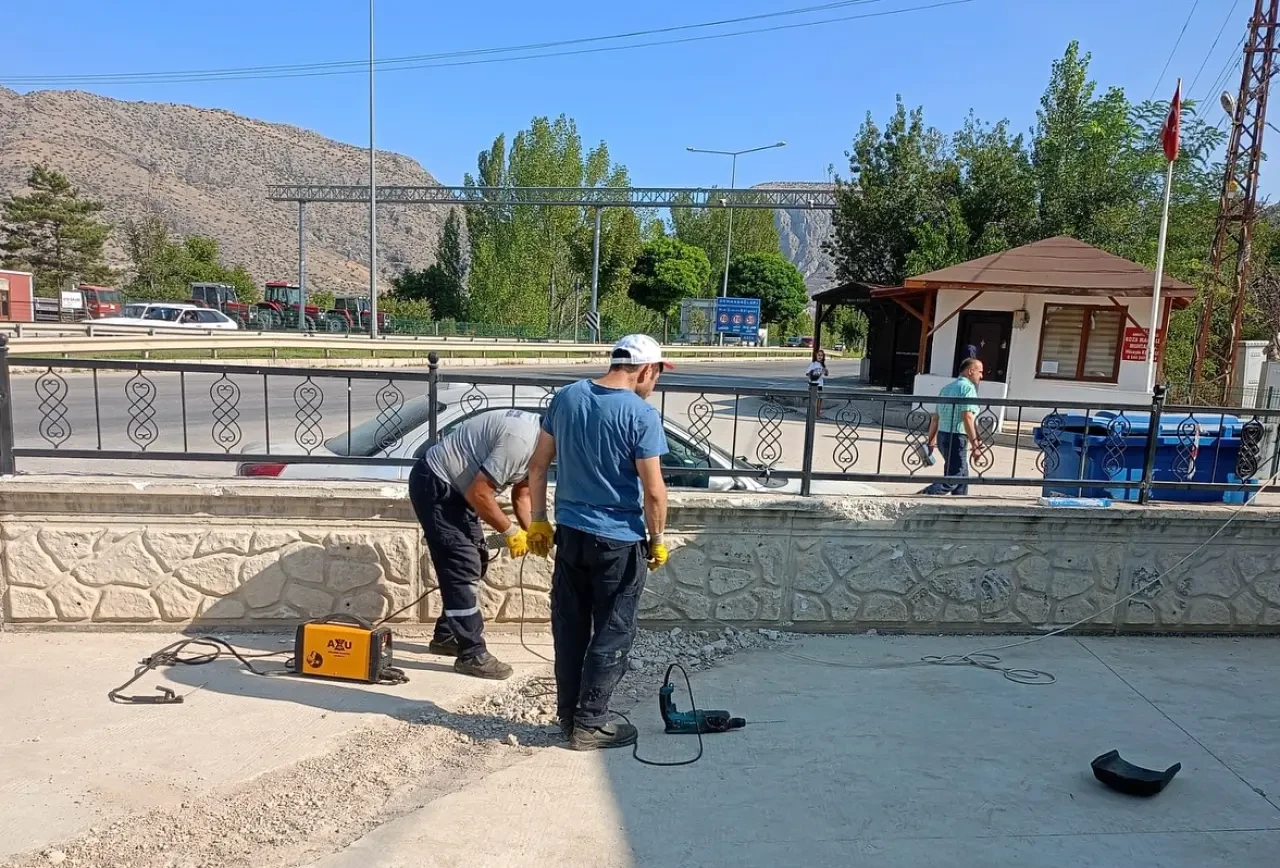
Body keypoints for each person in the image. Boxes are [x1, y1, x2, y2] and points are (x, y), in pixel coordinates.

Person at [527, 334, 670, 751]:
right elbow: (654, 491)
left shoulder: (567, 397)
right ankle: (590, 724)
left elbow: (538, 467)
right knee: (613, 629)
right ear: (645, 370)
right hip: (618, 541)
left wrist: (538, 521)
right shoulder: (641, 415)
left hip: (570, 534)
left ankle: (569, 716)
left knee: (570, 627)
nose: (656, 383)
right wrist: (657, 538)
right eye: (657, 374)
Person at [407, 408, 541, 680]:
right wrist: (510, 532)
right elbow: (479, 493)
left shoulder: (544, 442)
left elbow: (522, 493)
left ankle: (446, 636)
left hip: (459, 492)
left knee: (476, 558)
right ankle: (471, 653)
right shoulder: (522, 440)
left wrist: (535, 531)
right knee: (462, 564)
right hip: (436, 485)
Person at [922, 357, 984, 496]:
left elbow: (936, 418)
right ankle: (925, 495)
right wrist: (975, 445)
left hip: (943, 436)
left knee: (962, 476)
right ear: (970, 371)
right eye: (980, 372)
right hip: (957, 437)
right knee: (955, 476)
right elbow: (967, 417)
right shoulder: (968, 388)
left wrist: (930, 442)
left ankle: (959, 505)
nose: (981, 375)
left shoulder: (946, 388)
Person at [806, 349, 829, 417]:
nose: (820, 357)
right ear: (816, 356)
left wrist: (825, 371)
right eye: (818, 355)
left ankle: (818, 413)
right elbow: (807, 373)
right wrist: (814, 373)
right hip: (812, 384)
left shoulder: (823, 365)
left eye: (821, 355)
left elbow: (826, 374)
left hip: (820, 384)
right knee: (812, 399)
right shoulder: (813, 364)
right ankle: (811, 413)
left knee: (819, 399)